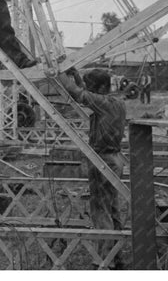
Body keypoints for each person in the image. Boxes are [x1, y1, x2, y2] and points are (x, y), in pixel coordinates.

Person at [58, 68, 127, 269]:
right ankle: (117, 256)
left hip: (102, 161)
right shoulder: (116, 102)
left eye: (93, 87)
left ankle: (104, 261)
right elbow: (85, 92)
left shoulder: (104, 104)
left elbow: (77, 93)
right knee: (112, 209)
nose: (90, 90)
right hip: (114, 159)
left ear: (103, 87)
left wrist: (57, 74)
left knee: (100, 211)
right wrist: (78, 75)